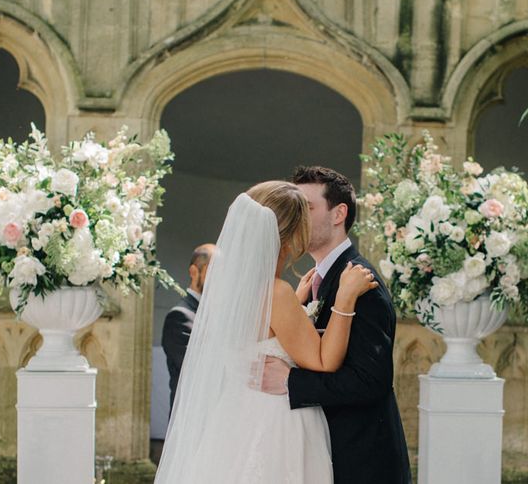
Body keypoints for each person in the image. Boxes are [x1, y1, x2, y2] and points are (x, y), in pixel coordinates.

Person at [154, 181, 377, 484]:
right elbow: (325, 361)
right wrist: (345, 298)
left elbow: (262, 331)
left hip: (235, 419)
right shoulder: (277, 293)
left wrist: (296, 304)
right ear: (291, 235)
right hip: (276, 424)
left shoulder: (228, 291)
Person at [261, 166, 412, 484]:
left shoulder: (361, 281)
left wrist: (292, 382)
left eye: (307, 207)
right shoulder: (310, 283)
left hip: (360, 462)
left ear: (338, 213)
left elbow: (371, 381)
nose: (298, 216)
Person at [161, 243, 215, 410]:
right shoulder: (179, 316)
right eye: (212, 271)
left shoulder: (215, 314)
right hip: (188, 420)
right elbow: (199, 372)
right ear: (194, 272)